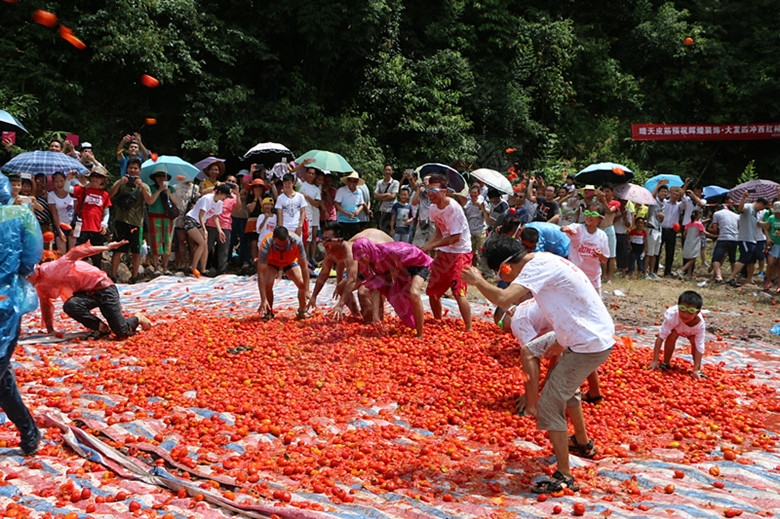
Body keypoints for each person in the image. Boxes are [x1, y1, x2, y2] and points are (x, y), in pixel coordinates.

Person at [461, 236, 614, 493]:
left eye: (498, 272)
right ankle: (581, 441)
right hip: (578, 331)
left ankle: (564, 475)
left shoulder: (536, 267)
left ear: (506, 267)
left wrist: (477, 281)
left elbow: (503, 298)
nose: (500, 276)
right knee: (532, 351)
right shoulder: (542, 260)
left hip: (588, 340)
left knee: (550, 404)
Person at [0, 172, 44, 456]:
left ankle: (28, 428)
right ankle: (28, 429)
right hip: (8, 301)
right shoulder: (21, 215)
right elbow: (32, 256)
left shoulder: (18, 214)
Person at [30, 240, 153, 340]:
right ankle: (101, 328)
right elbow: (45, 304)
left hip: (103, 287)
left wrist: (106, 248)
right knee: (70, 305)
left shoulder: (50, 269)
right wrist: (51, 330)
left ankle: (138, 318)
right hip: (86, 294)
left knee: (121, 332)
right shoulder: (39, 284)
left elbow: (75, 253)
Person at [351, 238, 432, 338]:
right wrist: (375, 315)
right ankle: (413, 322)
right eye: (358, 259)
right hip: (402, 269)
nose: (361, 261)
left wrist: (396, 269)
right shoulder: (372, 263)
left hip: (418, 262)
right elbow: (376, 289)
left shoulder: (389, 252)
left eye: (363, 257)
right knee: (398, 296)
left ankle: (420, 334)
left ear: (369, 250)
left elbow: (408, 253)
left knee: (414, 293)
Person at [421, 176, 473, 332]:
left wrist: (433, 246)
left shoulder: (454, 209)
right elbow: (439, 232)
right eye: (428, 190)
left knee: (458, 292)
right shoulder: (433, 208)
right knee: (432, 291)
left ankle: (468, 328)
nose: (430, 194)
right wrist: (428, 245)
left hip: (460, 252)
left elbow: (455, 238)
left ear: (444, 192)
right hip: (444, 252)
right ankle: (438, 322)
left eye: (434, 190)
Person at [108, 164, 153, 283]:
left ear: (139, 170)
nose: (132, 170)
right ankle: (112, 275)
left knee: (136, 251)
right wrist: (119, 183)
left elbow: (149, 201)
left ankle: (134, 276)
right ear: (127, 169)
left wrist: (141, 186)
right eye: (130, 168)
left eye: (135, 168)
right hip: (120, 221)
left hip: (136, 222)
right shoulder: (121, 182)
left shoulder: (144, 185)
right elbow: (109, 196)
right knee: (117, 249)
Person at [648, 290, 706, 379]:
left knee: (694, 340)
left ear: (697, 312)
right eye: (682, 310)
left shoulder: (700, 325)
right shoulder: (671, 316)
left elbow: (699, 346)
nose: (685, 315)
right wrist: (655, 360)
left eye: (690, 312)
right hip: (676, 328)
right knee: (672, 335)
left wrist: (695, 370)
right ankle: (666, 362)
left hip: (691, 332)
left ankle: (697, 369)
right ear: (678, 307)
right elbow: (660, 337)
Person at [256, 226, 310, 321]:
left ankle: (302, 311)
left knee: (302, 284)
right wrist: (263, 299)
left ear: (289, 239)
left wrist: (307, 289)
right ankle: (269, 312)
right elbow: (261, 273)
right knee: (267, 285)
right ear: (274, 240)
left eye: (285, 246)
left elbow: (304, 267)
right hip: (272, 263)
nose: (282, 248)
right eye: (279, 246)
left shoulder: (297, 242)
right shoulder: (266, 244)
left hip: (290, 262)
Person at [183, 183, 233, 276]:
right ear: (220, 192)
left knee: (205, 245)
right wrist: (204, 229)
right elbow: (201, 215)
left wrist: (220, 231)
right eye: (225, 195)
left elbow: (215, 217)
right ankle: (193, 267)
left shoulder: (219, 203)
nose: (225, 198)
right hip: (191, 220)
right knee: (202, 243)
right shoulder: (207, 198)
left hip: (200, 223)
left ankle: (203, 269)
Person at [562, 204, 609, 293]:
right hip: (575, 274)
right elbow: (565, 227)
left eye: (593, 214)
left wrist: (600, 255)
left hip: (593, 276)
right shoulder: (578, 229)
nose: (589, 216)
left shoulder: (602, 236)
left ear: (600, 218)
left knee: (595, 304)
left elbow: (605, 259)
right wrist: (566, 229)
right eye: (587, 213)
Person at [725, 194, 770, 287]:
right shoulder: (749, 207)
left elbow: (757, 223)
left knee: (751, 260)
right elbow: (741, 209)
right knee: (744, 258)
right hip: (745, 238)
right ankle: (731, 277)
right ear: (760, 203)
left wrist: (768, 223)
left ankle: (749, 280)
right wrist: (743, 198)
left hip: (753, 239)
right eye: (763, 207)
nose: (762, 210)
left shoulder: (755, 212)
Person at [71, 166, 111, 261]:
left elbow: (106, 212)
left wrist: (104, 223)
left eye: (99, 177)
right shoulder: (81, 190)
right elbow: (66, 188)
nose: (96, 179)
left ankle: (96, 275)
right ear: (90, 177)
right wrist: (69, 178)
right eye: (94, 176)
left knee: (97, 256)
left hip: (97, 228)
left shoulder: (104, 194)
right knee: (80, 255)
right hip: (82, 227)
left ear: (103, 180)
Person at [146, 170, 180, 275]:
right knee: (156, 242)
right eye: (158, 177)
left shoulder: (171, 189)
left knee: (167, 242)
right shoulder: (151, 188)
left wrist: (167, 192)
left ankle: (165, 267)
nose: (161, 179)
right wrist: (159, 190)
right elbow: (150, 201)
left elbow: (176, 202)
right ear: (155, 178)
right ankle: (156, 267)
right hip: (154, 217)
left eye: (163, 177)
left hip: (168, 218)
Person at [205, 177, 239, 276]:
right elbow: (203, 192)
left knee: (223, 249)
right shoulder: (215, 193)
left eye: (233, 182)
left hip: (226, 224)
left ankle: (222, 270)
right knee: (206, 247)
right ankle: (202, 267)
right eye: (229, 181)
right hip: (211, 223)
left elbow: (238, 208)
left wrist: (238, 193)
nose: (231, 183)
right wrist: (219, 186)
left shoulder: (232, 196)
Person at [708, 203, 739, 283]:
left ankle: (719, 277)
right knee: (732, 259)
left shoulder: (717, 214)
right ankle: (733, 277)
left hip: (723, 238)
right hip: (735, 238)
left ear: (716, 209)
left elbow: (714, 229)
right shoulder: (735, 215)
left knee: (716, 258)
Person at [47, 171, 75, 252]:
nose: (59, 184)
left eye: (61, 181)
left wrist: (74, 227)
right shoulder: (51, 195)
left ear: (65, 180)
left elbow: (76, 210)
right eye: (56, 181)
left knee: (72, 253)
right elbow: (54, 214)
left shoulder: (72, 192)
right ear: (53, 182)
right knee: (62, 255)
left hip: (72, 225)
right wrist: (59, 231)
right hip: (60, 226)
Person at [334, 172, 367, 240]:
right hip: (342, 220)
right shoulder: (341, 190)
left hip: (355, 220)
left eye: (354, 181)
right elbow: (336, 204)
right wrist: (346, 213)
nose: (352, 183)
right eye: (350, 180)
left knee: (356, 240)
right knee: (341, 241)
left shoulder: (359, 191)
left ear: (357, 182)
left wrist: (358, 211)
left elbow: (362, 204)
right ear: (347, 181)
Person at [298, 167, 322, 261]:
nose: (310, 175)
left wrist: (307, 197)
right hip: (298, 216)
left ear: (315, 175)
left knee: (308, 239)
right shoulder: (300, 185)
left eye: (313, 174)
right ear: (306, 173)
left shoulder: (316, 190)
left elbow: (316, 204)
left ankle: (307, 260)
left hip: (309, 216)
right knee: (299, 239)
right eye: (309, 173)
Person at [678, 210, 706, 279]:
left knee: (690, 258)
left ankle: (689, 274)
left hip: (688, 242)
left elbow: (684, 234)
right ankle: (682, 269)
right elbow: (704, 232)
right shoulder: (699, 224)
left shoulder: (688, 224)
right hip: (695, 243)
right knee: (693, 259)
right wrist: (713, 235)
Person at [374, 165, 399, 235]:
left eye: (389, 170)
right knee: (382, 230)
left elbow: (393, 196)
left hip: (392, 210)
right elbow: (375, 196)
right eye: (386, 170)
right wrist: (387, 194)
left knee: (392, 230)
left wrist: (381, 196)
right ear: (383, 171)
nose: (387, 172)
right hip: (383, 210)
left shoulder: (395, 182)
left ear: (392, 172)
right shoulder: (379, 182)